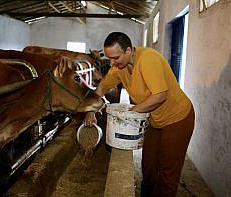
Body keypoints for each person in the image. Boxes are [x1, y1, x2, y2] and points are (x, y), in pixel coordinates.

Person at [83, 32, 195, 197]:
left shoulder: (148, 59)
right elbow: (102, 88)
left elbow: (160, 95)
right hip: (154, 120)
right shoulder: (119, 68)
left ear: (128, 51)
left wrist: (132, 112)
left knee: (167, 170)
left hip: (177, 118)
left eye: (116, 58)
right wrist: (90, 110)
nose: (112, 63)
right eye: (109, 59)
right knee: (148, 167)